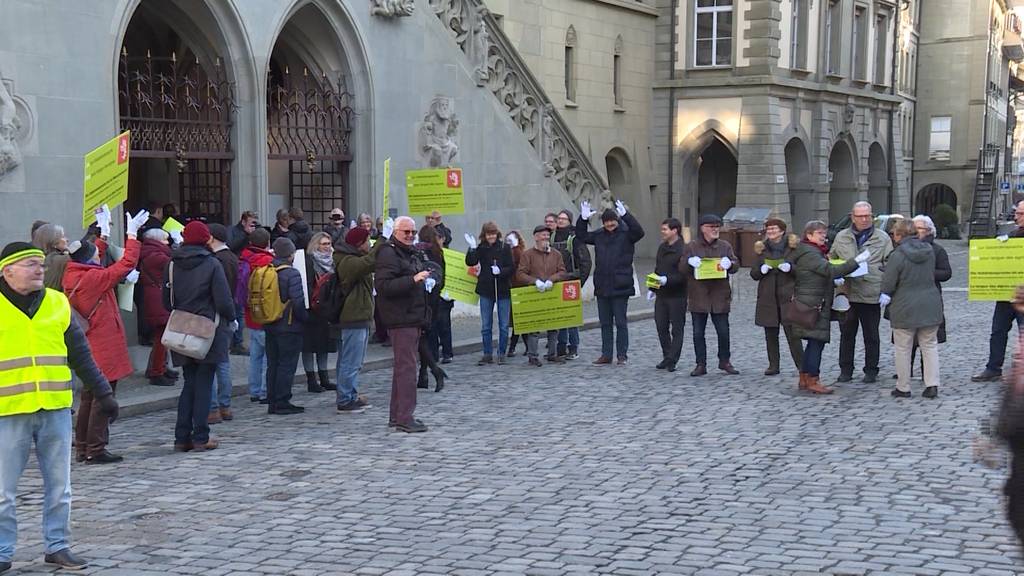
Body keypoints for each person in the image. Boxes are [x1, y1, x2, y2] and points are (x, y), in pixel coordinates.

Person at [0, 242, 119, 571]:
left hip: (54, 409)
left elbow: (80, 353)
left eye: (40, 264)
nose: (39, 270)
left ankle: (58, 545)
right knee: (3, 491)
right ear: (6, 271)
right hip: (8, 411)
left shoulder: (57, 303)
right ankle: (2, 551)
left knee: (59, 487)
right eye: (29, 265)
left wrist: (103, 391)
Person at [62, 209, 147, 464]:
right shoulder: (94, 278)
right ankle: (96, 449)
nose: (99, 256)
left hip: (92, 342)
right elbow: (125, 265)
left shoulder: (74, 271)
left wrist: (105, 233)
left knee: (89, 396)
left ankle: (83, 447)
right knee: (103, 396)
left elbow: (92, 254)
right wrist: (132, 235)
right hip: (103, 343)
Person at [162, 221, 236, 451]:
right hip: (207, 328)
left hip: (181, 327)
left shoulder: (172, 264)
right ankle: (201, 436)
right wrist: (231, 319)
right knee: (204, 382)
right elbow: (223, 300)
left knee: (189, 382)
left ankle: (181, 437)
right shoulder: (212, 264)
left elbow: (167, 301)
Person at [790, 221, 867, 394]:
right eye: (819, 233)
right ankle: (812, 379)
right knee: (817, 341)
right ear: (809, 235)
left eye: (824, 233)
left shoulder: (812, 251)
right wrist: (856, 262)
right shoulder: (810, 253)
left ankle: (805, 377)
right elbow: (829, 270)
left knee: (813, 341)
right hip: (814, 304)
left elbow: (823, 273)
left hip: (812, 301)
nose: (824, 236)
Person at [376, 216, 431, 432]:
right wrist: (413, 280)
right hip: (400, 318)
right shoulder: (388, 253)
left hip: (411, 315)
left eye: (412, 232)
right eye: (405, 232)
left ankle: (398, 415)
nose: (410, 236)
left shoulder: (408, 251)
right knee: (407, 369)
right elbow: (384, 286)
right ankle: (405, 417)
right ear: (395, 232)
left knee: (404, 367)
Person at [829, 201, 894, 384]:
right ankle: (845, 370)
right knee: (847, 334)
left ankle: (871, 370)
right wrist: (835, 275)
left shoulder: (882, 238)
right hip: (847, 292)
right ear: (853, 217)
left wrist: (884, 285)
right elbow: (832, 258)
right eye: (860, 216)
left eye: (868, 216)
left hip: (871, 291)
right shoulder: (842, 236)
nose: (864, 219)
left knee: (871, 335)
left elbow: (890, 263)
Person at [576, 199, 645, 365]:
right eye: (606, 222)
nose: (609, 225)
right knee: (605, 323)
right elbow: (582, 236)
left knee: (620, 322)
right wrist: (583, 220)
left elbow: (640, 232)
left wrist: (627, 216)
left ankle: (622, 355)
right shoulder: (599, 235)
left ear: (617, 220)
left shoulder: (627, 234)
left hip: (621, 285)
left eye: (612, 221)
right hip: (602, 285)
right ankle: (606, 354)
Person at [881, 219, 943, 399]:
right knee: (929, 345)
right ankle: (932, 384)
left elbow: (890, 280)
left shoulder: (898, 254)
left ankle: (903, 386)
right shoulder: (929, 250)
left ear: (899, 235)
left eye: (894, 234)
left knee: (903, 347)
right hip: (930, 302)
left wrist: (885, 292)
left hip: (905, 304)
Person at [334, 226, 385, 413]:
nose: (369, 244)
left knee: (352, 361)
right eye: (366, 241)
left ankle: (350, 394)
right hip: (352, 317)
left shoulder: (351, 257)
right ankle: (345, 399)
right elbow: (369, 262)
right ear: (358, 244)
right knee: (350, 361)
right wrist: (382, 240)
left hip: (359, 316)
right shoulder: (347, 261)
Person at [681, 214, 739, 376]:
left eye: (717, 227)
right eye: (711, 227)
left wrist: (730, 264)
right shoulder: (691, 246)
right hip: (698, 295)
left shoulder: (725, 246)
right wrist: (689, 263)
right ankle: (701, 364)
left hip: (719, 295)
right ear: (702, 229)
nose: (715, 230)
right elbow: (681, 268)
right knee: (698, 333)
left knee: (723, 331)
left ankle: (724, 361)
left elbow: (735, 264)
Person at [974, 200, 1024, 381]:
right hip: (1006, 294)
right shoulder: (1011, 235)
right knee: (998, 331)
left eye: (1020, 214)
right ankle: (993, 368)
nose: (1016, 217)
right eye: (1017, 213)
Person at [750, 218, 803, 376]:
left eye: (774, 229)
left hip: (788, 296)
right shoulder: (761, 249)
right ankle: (773, 365)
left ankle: (802, 364)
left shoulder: (793, 248)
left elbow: (803, 270)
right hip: (768, 296)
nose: (771, 232)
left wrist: (791, 268)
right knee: (770, 333)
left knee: (793, 333)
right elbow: (753, 274)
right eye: (769, 229)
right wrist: (761, 270)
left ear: (782, 230)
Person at [265, 238, 308, 416]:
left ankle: (272, 400)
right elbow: (297, 302)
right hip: (289, 326)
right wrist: (305, 319)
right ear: (291, 255)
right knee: (287, 365)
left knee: (273, 363)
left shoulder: (268, 270)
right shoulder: (292, 274)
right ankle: (283, 400)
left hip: (270, 323)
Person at [515, 225, 569, 366]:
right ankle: (533, 356)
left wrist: (552, 279)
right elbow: (520, 274)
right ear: (536, 237)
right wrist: (535, 281)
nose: (546, 237)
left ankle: (552, 354)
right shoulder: (527, 255)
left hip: (552, 294)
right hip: (535, 294)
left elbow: (563, 271)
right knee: (534, 327)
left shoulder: (556, 254)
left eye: (547, 235)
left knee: (554, 326)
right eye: (543, 235)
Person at [466, 221, 515, 365]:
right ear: (484, 235)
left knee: (503, 325)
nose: (491, 236)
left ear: (497, 234)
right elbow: (470, 262)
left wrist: (501, 271)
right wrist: (472, 248)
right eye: (488, 234)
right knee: (486, 325)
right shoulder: (481, 248)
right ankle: (487, 353)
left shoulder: (504, 247)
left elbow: (511, 267)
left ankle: (501, 353)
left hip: (502, 290)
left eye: (493, 234)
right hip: (486, 290)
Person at [206, 224, 238, 424]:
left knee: (213, 364)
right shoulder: (232, 257)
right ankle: (225, 405)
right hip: (227, 312)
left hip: (217, 313)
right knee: (223, 362)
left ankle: (214, 407)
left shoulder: (217, 260)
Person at [139, 228, 177, 387]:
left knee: (162, 338)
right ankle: (157, 371)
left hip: (155, 296)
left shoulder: (149, 252)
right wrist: (179, 245)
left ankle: (160, 366)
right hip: (158, 298)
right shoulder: (156, 255)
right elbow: (174, 261)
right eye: (165, 239)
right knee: (162, 338)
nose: (168, 242)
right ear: (157, 240)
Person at [239, 229, 273, 403]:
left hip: (250, 313)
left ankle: (254, 390)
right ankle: (267, 389)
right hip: (266, 315)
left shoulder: (244, 258)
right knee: (269, 356)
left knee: (255, 356)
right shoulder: (267, 261)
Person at [552, 209, 591, 360]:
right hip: (556, 282)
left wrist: (579, 283)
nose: (560, 221)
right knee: (559, 317)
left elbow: (585, 262)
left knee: (571, 317)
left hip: (570, 282)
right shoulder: (553, 236)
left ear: (569, 221)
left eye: (564, 219)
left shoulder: (574, 239)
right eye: (559, 218)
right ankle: (561, 348)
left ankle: (573, 347)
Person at [302, 232, 338, 394]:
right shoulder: (308, 261)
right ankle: (311, 379)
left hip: (327, 308)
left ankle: (324, 378)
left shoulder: (333, 262)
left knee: (324, 345)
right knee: (309, 346)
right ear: (316, 244)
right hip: (312, 308)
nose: (327, 247)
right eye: (324, 244)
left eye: (329, 243)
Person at [414, 225, 448, 390]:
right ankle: (424, 374)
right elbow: (443, 277)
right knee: (425, 336)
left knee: (421, 337)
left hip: (420, 299)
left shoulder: (416, 252)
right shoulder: (436, 252)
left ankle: (433, 371)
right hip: (433, 300)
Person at [651, 218, 687, 372]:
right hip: (661, 293)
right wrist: (652, 286)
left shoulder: (684, 249)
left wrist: (667, 280)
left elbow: (684, 275)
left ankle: (672, 359)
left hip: (677, 294)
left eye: (665, 229)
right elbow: (658, 268)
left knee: (677, 329)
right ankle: (667, 355)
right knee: (661, 326)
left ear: (675, 231)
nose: (663, 232)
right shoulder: (662, 248)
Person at [227, 212, 257, 355]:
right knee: (237, 308)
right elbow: (231, 246)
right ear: (243, 222)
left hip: (245, 271)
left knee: (240, 307)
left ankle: (236, 341)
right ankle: (236, 342)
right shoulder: (233, 231)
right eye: (251, 222)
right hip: (235, 271)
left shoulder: (252, 232)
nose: (253, 225)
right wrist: (246, 235)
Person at [505, 230, 527, 357]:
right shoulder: (507, 253)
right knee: (517, 320)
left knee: (519, 320)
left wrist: (515, 247)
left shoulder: (520, 253)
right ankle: (522, 347)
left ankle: (516, 347)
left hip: (520, 288)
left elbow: (518, 262)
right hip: (511, 288)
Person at [31, 223, 71, 291]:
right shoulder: (60, 260)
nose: (67, 239)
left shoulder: (36, 258)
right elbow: (88, 253)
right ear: (54, 242)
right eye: (63, 237)